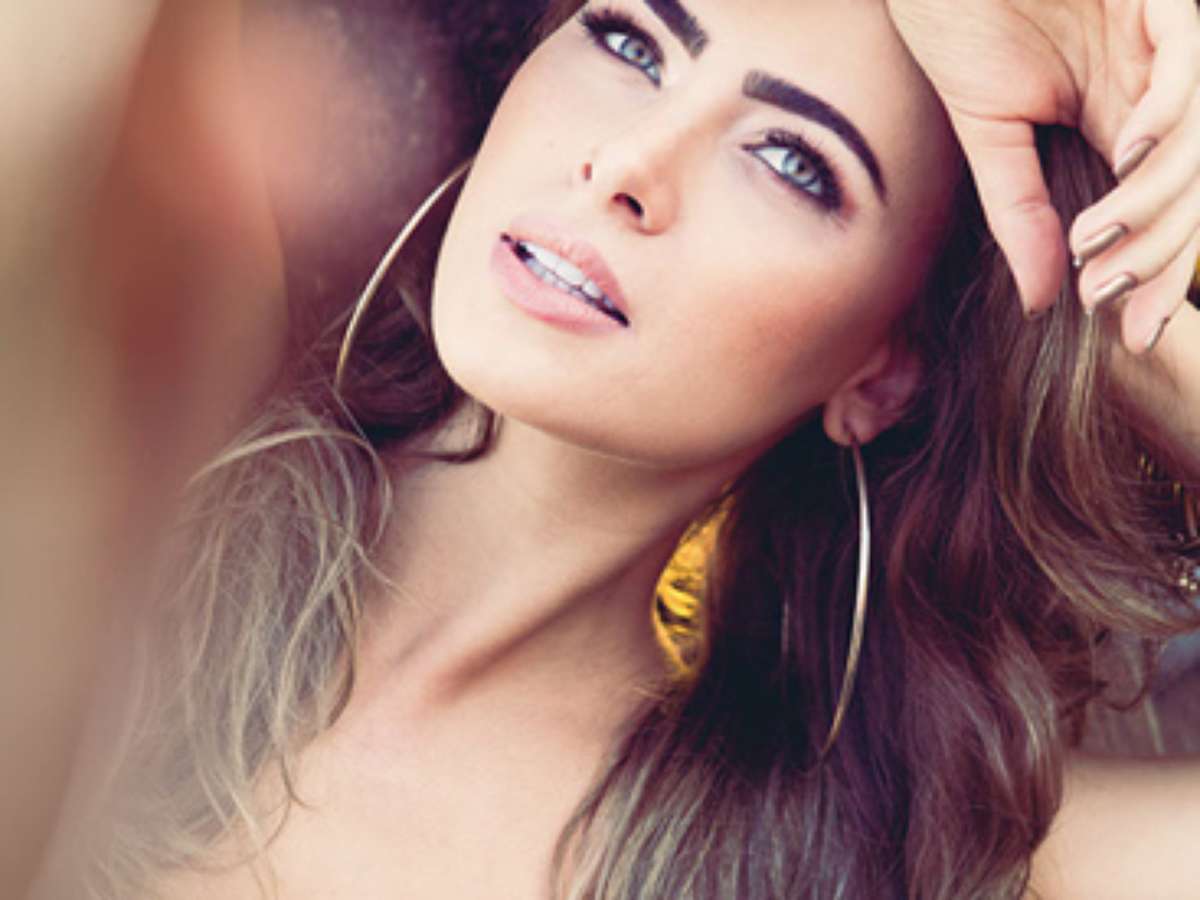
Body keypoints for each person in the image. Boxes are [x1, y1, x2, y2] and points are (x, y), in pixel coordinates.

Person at [22, 0, 1200, 898]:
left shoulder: (841, 857)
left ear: (885, 371)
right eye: (631, 43)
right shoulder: (109, 452)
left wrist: (1106, 271)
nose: (630, 164)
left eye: (793, 162)